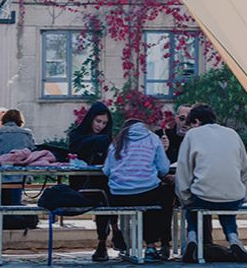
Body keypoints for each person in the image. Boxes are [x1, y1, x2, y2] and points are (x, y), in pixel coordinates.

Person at [175, 104, 247, 264]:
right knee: (227, 207)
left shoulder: (192, 135)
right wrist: (244, 195)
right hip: (233, 195)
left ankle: (192, 238)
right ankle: (233, 239)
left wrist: (184, 197)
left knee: (192, 207)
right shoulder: (232, 133)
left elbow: (183, 170)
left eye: (190, 123)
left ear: (196, 121)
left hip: (203, 196)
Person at [103, 119, 171, 263]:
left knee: (142, 194)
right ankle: (151, 247)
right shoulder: (153, 139)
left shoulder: (117, 141)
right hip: (147, 194)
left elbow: (107, 170)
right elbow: (164, 168)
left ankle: (123, 241)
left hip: (119, 196)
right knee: (159, 195)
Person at [69, 101, 126, 262]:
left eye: (104, 123)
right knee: (104, 193)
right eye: (98, 121)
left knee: (105, 192)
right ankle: (114, 229)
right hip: (81, 185)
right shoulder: (76, 135)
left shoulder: (106, 139)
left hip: (102, 184)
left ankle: (103, 241)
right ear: (90, 119)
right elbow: (76, 150)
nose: (100, 125)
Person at [0, 108, 36, 208]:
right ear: (20, 120)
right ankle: (11, 220)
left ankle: (1, 218)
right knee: (15, 203)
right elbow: (33, 153)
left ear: (3, 119)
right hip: (19, 175)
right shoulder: (27, 134)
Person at [155, 105, 191, 259]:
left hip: (189, 183)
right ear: (176, 118)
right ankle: (164, 243)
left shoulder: (196, 139)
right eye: (182, 119)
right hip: (166, 182)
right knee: (165, 194)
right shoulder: (162, 135)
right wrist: (161, 150)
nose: (185, 123)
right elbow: (150, 163)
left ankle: (198, 243)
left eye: (189, 121)